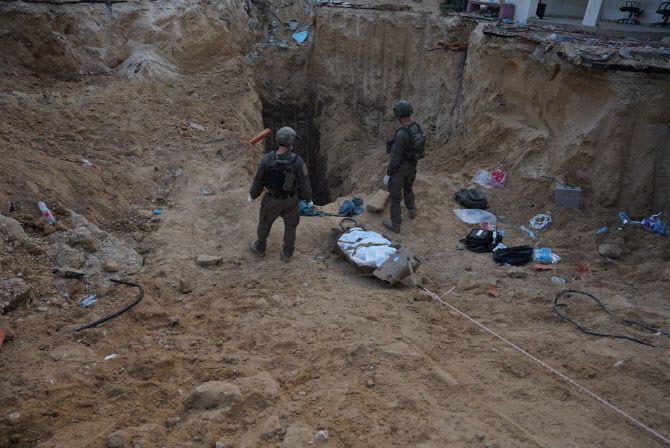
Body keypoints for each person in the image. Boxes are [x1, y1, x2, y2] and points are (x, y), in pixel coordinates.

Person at [248, 127, 313, 261]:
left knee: (264, 223)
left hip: (272, 200)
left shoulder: (267, 160)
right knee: (291, 226)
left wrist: (253, 195)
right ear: (291, 143)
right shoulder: (298, 161)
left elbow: (258, 181)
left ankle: (260, 247)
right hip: (291, 200)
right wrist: (308, 199)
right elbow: (304, 182)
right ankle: (287, 253)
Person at [383, 100, 423, 233]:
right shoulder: (416, 127)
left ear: (398, 115)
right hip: (412, 166)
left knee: (395, 197)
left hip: (400, 168)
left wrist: (388, 173)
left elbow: (395, 158)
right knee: (408, 187)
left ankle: (395, 224)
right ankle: (411, 208)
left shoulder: (401, 134)